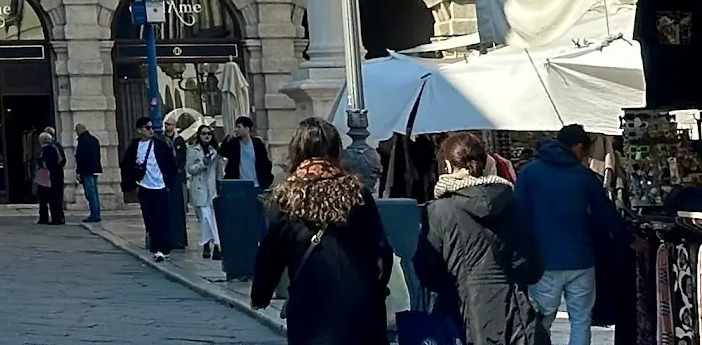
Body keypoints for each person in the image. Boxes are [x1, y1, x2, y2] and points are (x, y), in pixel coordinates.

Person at [249, 118, 392, 345]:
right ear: (336, 149)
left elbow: (271, 253)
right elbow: (382, 250)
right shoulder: (357, 194)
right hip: (360, 306)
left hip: (311, 305)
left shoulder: (287, 198)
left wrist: (261, 294)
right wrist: (377, 288)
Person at [415, 130, 548, 345]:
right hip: (514, 315)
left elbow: (427, 270)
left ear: (448, 166)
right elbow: (533, 267)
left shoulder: (438, 211)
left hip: (461, 314)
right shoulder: (513, 203)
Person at [514, 123, 627, 345]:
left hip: (543, 262)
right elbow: (607, 214)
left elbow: (517, 215)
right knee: (581, 320)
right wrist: (630, 240)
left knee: (541, 321)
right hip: (581, 260)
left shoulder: (529, 173)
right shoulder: (584, 176)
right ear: (577, 147)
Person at [129, 116, 181, 260]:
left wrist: (168, 183)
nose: (151, 130)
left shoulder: (160, 145)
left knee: (162, 218)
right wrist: (133, 182)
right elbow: (126, 164)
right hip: (144, 186)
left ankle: (163, 249)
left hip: (160, 186)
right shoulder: (134, 146)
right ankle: (155, 246)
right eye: (148, 128)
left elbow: (171, 165)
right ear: (140, 130)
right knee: (150, 218)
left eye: (152, 127)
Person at [182, 118, 223, 261]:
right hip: (199, 188)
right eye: (203, 133)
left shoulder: (215, 151)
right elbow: (190, 169)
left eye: (209, 134)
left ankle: (213, 245)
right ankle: (210, 244)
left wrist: (220, 183)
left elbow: (218, 170)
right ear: (199, 135)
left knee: (213, 219)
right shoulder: (192, 150)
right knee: (204, 218)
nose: (206, 136)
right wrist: (202, 163)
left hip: (211, 188)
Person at [31, 129, 67, 226]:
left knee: (47, 198)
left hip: (48, 177)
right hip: (56, 176)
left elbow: (46, 163)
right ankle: (57, 217)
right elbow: (62, 161)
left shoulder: (48, 149)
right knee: (55, 198)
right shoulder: (56, 146)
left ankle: (49, 218)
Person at [74, 124, 105, 223]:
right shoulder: (94, 139)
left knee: (90, 193)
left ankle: (94, 214)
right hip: (95, 168)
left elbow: (80, 158)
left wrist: (78, 172)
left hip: (86, 170)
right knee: (94, 192)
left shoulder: (82, 141)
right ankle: (96, 212)